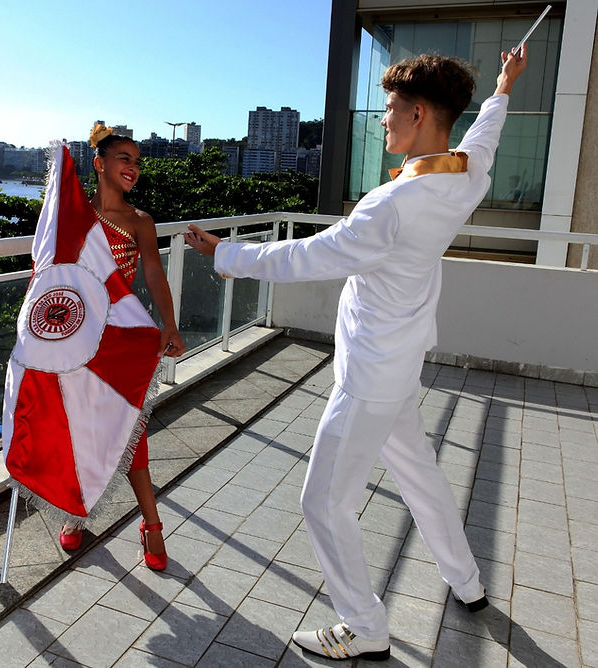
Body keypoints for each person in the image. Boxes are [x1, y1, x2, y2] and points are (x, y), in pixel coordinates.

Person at [185, 48, 527, 660]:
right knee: (420, 477)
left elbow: (307, 256)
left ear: (420, 113)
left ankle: (365, 628)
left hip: (369, 376)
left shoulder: (391, 206)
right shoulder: (465, 175)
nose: (384, 120)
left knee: (321, 501)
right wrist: (501, 87)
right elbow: (485, 136)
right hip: (400, 366)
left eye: (392, 110)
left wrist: (224, 253)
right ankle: (467, 583)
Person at [58, 124, 186, 570]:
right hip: (76, 344)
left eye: (136, 160)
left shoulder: (140, 221)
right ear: (99, 163)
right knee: (80, 431)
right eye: (123, 158)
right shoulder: (73, 216)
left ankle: (152, 524)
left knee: (130, 435)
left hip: (122, 341)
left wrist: (169, 324)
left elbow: (153, 273)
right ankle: (75, 514)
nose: (133, 167)